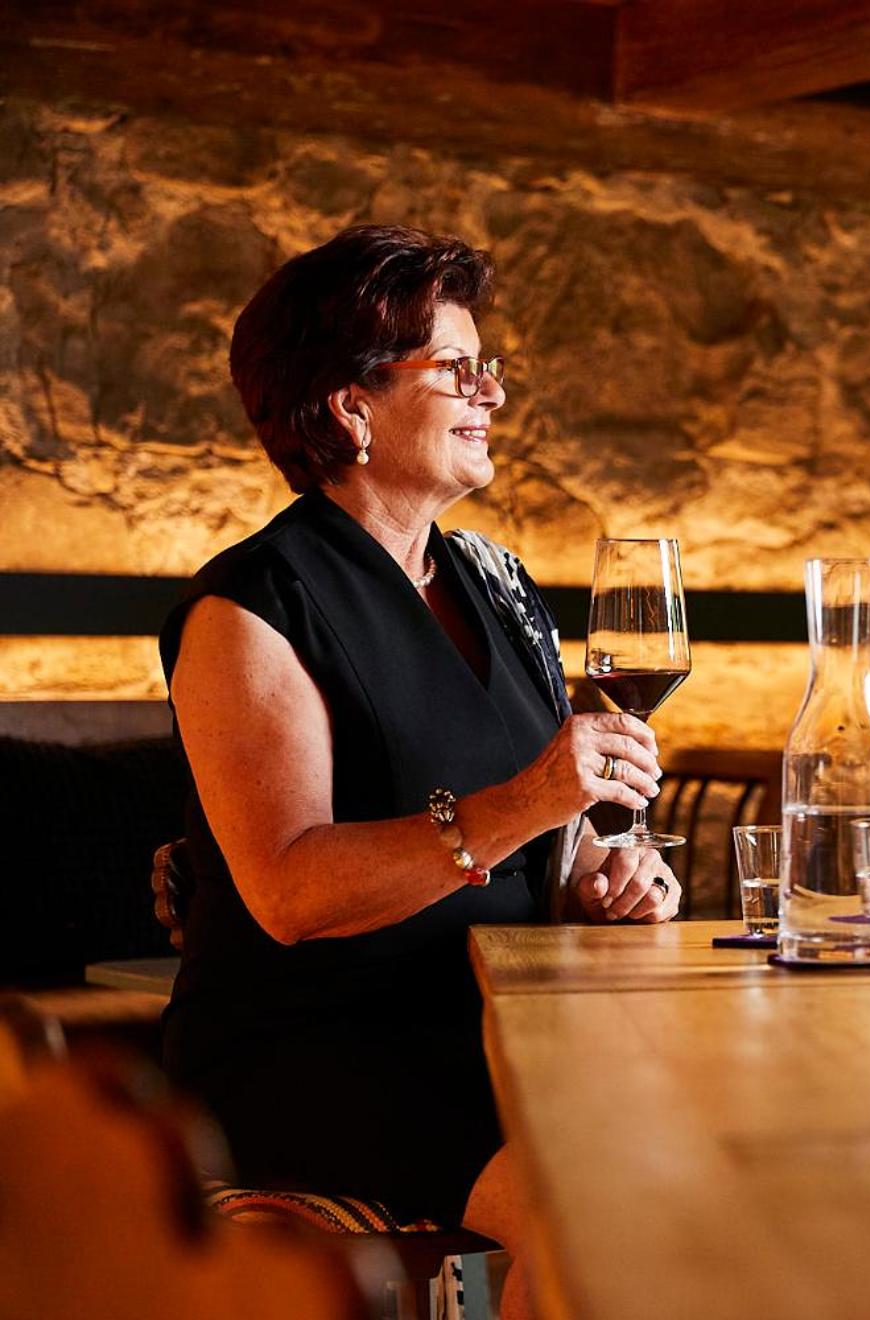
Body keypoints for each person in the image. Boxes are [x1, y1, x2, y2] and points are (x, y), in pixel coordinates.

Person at [160, 225, 676, 1318]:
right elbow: (290, 892)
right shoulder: (250, 608)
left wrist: (602, 881)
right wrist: (529, 800)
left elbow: (549, 847)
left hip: (504, 1026)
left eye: (489, 366)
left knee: (710, 1153)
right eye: (456, 368)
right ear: (352, 408)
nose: (493, 392)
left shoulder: (496, 581)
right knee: (599, 1210)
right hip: (320, 1054)